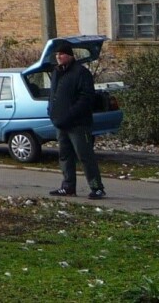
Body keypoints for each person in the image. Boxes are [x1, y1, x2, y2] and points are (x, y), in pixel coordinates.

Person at [47, 40, 106, 199]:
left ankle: (96, 187)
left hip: (78, 124)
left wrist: (69, 115)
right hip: (61, 124)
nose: (59, 57)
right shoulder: (57, 73)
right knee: (65, 156)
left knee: (85, 156)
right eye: (57, 54)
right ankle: (68, 187)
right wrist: (51, 112)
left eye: (62, 54)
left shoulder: (81, 73)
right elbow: (53, 96)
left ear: (70, 56)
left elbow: (86, 99)